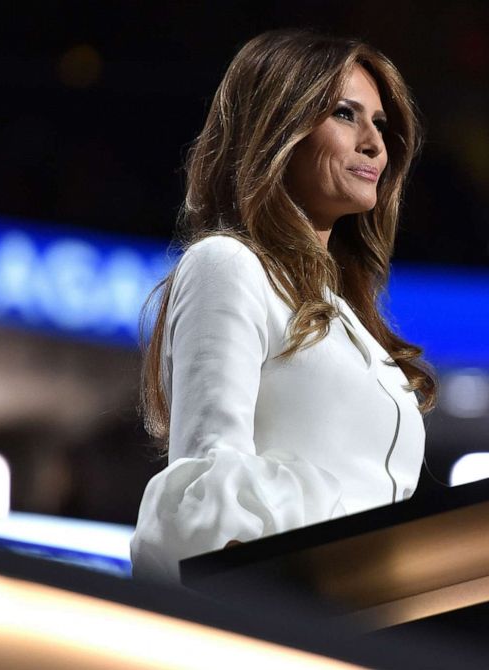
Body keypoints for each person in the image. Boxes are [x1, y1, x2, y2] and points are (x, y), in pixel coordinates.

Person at [130, 29, 437, 584]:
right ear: (277, 127)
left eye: (380, 124)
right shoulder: (227, 266)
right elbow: (206, 498)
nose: (375, 144)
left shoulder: (349, 318)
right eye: (346, 114)